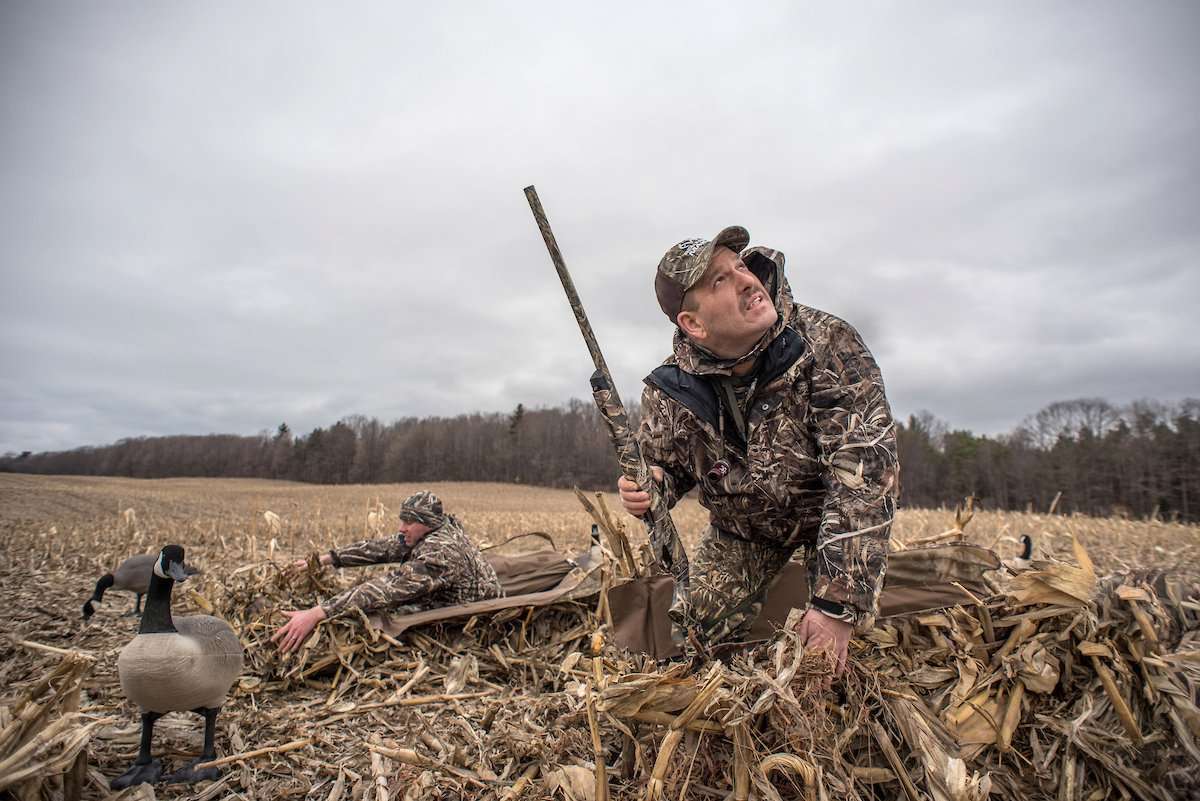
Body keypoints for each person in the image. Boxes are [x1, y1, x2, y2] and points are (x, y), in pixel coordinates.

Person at [617, 228, 898, 674]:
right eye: (720, 281)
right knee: (686, 645)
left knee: (833, 665)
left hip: (826, 525)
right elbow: (665, 467)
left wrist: (836, 606)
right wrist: (652, 487)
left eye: (740, 266)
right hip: (743, 533)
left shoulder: (827, 345)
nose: (748, 281)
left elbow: (863, 476)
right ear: (694, 325)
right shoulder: (671, 389)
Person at [273, 491, 503, 653]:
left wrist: (318, 613)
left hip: (470, 619)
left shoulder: (441, 553)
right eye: (403, 520)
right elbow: (381, 547)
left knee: (377, 618)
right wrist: (327, 559)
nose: (402, 528)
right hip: (454, 598)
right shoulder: (433, 530)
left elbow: (386, 588)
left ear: (427, 523)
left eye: (409, 522)